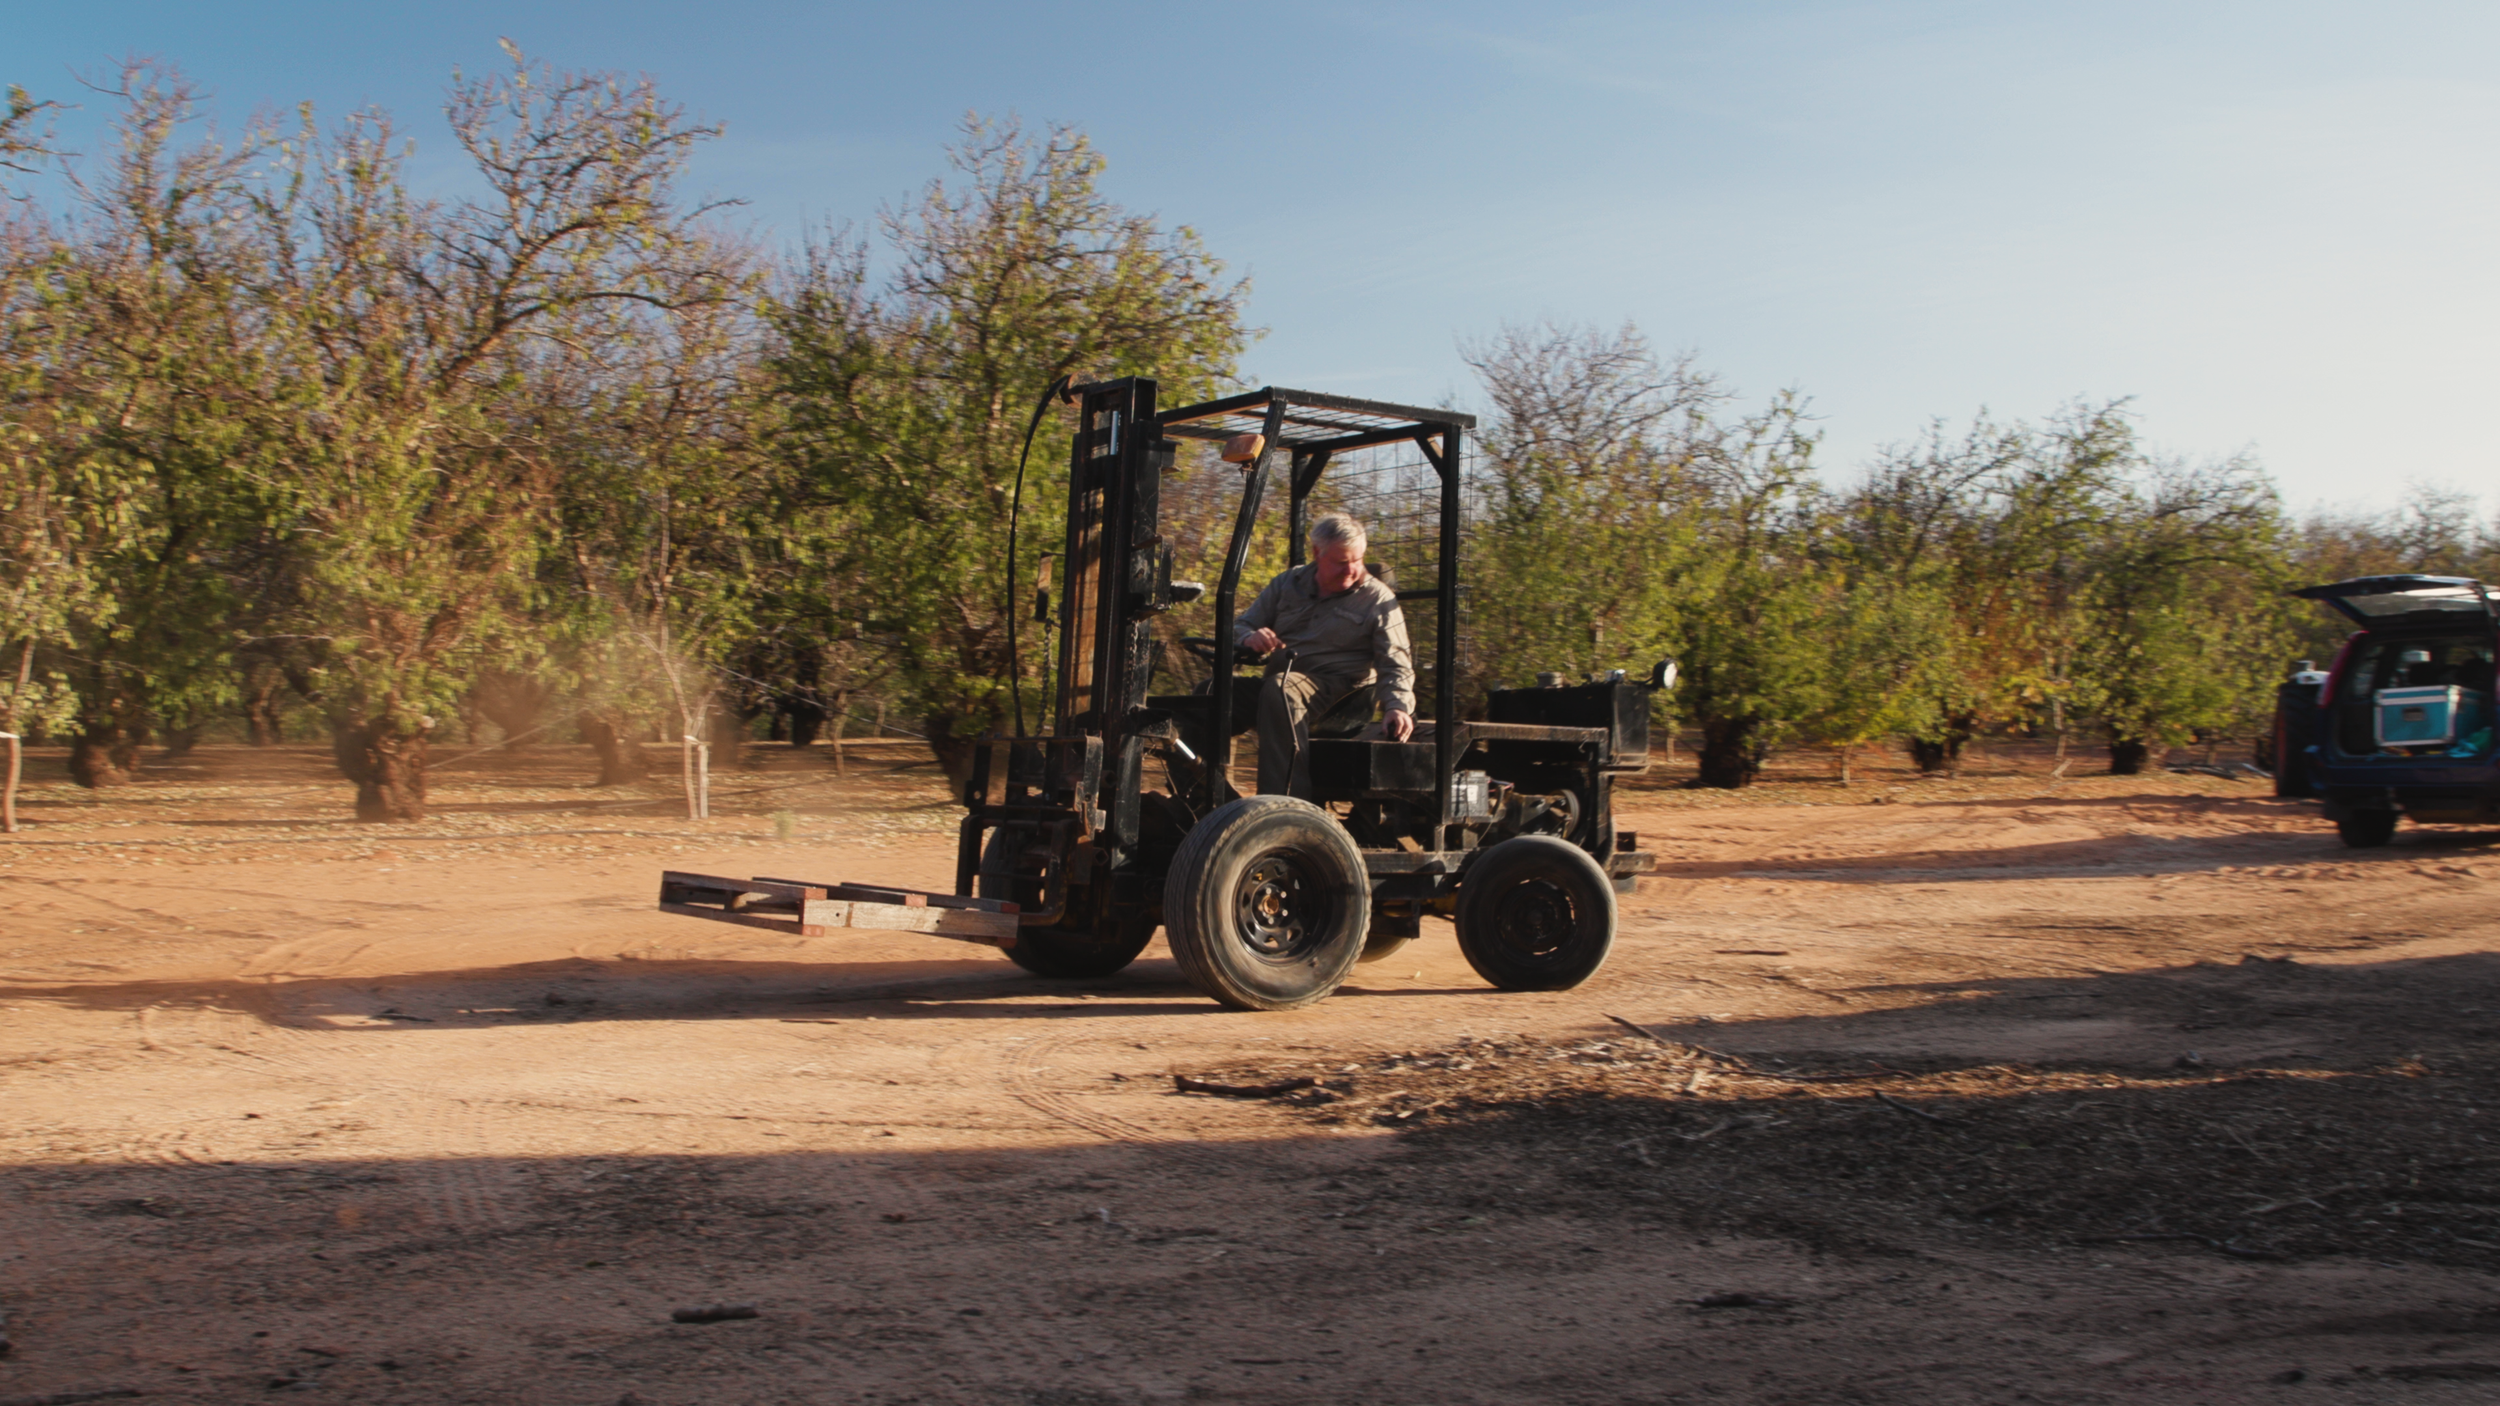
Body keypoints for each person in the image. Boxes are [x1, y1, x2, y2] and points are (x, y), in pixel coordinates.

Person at [1232, 512, 1415, 798]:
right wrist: (1248, 636)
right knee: (1210, 693)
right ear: (1317, 553)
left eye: (1358, 560)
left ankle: (1288, 806)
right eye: (1342, 562)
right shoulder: (1286, 584)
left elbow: (1395, 661)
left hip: (1342, 694)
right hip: (1280, 686)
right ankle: (1202, 792)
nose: (1352, 570)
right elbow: (1241, 624)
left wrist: (1398, 706)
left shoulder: (1378, 599)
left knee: (1281, 689)